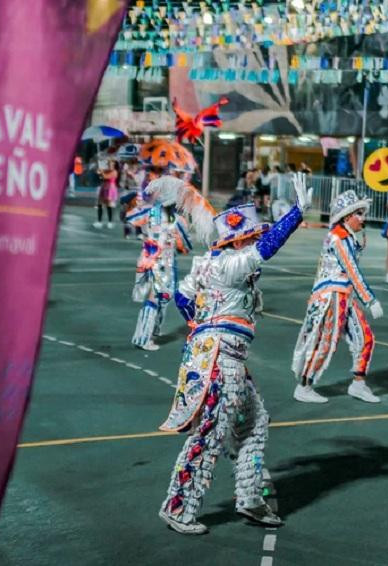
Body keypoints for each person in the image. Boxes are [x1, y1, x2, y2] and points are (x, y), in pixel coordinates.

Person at [157, 174, 312, 535]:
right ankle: (178, 507)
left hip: (220, 357)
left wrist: (200, 325)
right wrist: (297, 213)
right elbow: (269, 247)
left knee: (255, 424)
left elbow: (182, 297)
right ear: (240, 239)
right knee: (210, 434)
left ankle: (250, 498)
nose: (256, 239)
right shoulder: (230, 266)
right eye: (251, 236)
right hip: (219, 361)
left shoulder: (210, 264)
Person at [291, 189, 384, 404]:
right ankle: (303, 387)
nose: (363, 218)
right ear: (346, 216)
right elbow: (351, 269)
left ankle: (358, 384)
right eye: (359, 213)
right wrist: (370, 299)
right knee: (324, 342)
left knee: (365, 336)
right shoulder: (338, 238)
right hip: (330, 296)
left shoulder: (347, 236)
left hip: (344, 294)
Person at [130, 203, 191, 351]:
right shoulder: (168, 217)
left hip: (158, 260)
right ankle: (142, 338)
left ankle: (154, 330)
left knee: (163, 297)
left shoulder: (158, 214)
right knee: (155, 298)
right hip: (158, 262)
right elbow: (184, 248)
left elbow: (132, 218)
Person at [93, 160, 119, 229]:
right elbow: (99, 175)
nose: (110, 166)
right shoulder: (106, 170)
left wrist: (102, 173)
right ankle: (99, 222)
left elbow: (106, 177)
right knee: (100, 204)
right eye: (109, 165)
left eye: (111, 165)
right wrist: (98, 171)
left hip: (110, 189)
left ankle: (110, 222)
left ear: (114, 165)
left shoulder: (114, 172)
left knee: (109, 206)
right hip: (104, 187)